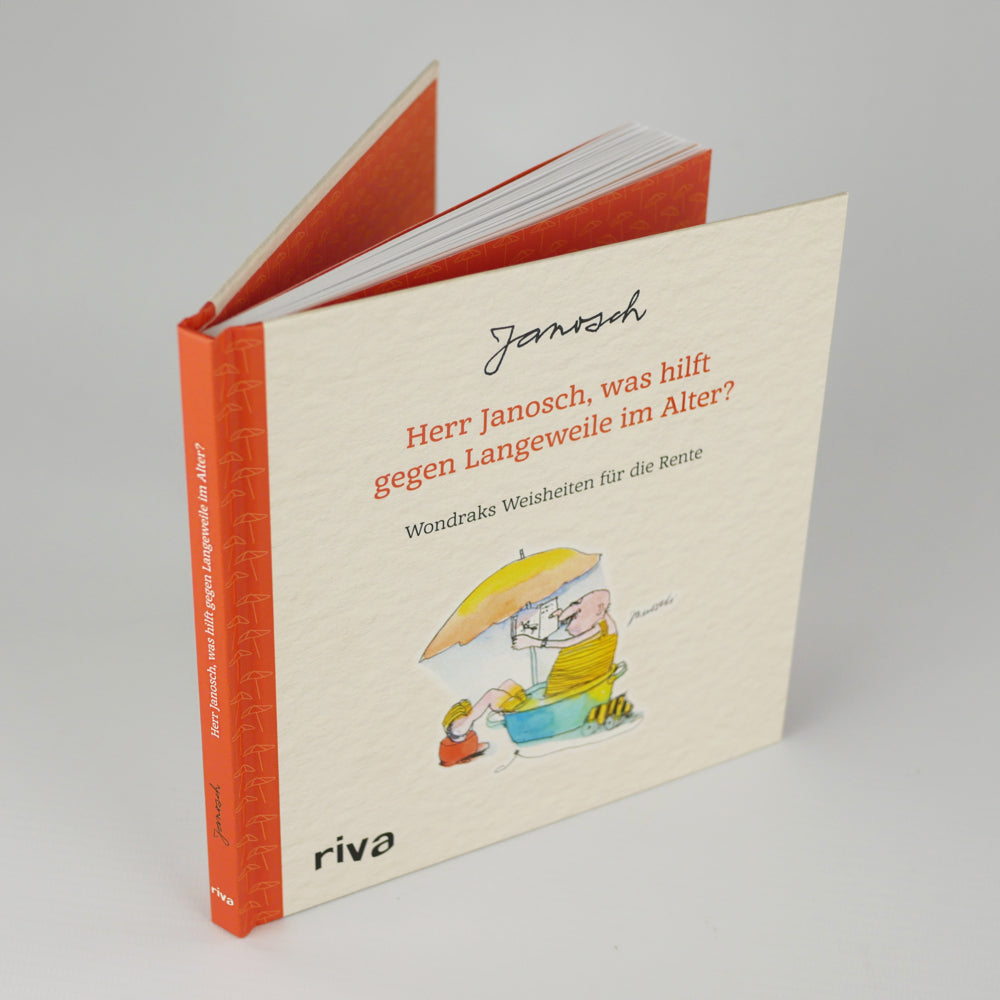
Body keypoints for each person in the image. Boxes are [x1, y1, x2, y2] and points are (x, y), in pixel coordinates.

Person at [512, 590, 617, 699]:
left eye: (579, 610)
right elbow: (576, 609)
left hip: (576, 683)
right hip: (570, 681)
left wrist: (534, 642)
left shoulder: (600, 627)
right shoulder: (597, 618)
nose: (576, 609)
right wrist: (561, 617)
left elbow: (568, 643)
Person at [438, 679, 526, 766]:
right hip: (476, 695)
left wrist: (501, 707)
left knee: (504, 694)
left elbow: (490, 696)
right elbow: (483, 746)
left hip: (478, 695)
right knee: (508, 686)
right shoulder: (454, 729)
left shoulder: (458, 730)